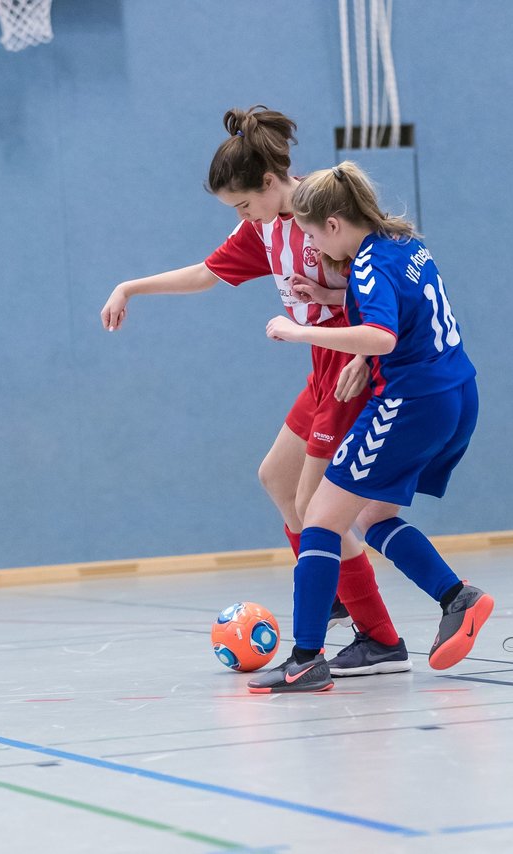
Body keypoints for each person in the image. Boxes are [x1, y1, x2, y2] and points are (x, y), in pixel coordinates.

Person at [100, 107, 410, 677]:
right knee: (275, 477)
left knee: (315, 508)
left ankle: (379, 637)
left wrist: (365, 355)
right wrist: (130, 287)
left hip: (350, 368)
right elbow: (205, 273)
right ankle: (335, 589)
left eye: (244, 204)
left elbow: (387, 283)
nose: (243, 218)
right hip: (320, 367)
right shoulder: (262, 228)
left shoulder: (326, 211)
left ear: (270, 183)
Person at [247, 161, 495, 694]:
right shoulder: (402, 243)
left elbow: (381, 336)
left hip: (412, 402)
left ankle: (305, 659)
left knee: (319, 518)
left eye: (313, 234)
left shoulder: (363, 265)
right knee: (372, 516)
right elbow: (398, 318)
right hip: (458, 391)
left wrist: (296, 331)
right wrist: (333, 306)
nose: (314, 247)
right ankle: (458, 599)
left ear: (334, 225)